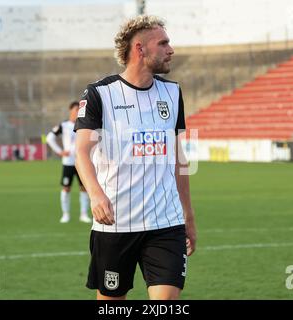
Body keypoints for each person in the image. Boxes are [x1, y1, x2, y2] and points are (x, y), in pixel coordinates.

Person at [74, 15, 196, 300]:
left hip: (166, 224)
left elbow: (179, 160)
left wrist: (188, 216)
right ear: (140, 49)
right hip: (116, 225)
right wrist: (95, 194)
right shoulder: (99, 94)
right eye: (163, 43)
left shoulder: (172, 92)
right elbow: (81, 152)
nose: (171, 49)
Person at [46, 102, 92, 224]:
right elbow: (49, 138)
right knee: (66, 188)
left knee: (84, 188)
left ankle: (84, 214)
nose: (78, 111)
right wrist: (60, 152)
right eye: (76, 109)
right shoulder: (64, 125)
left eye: (79, 109)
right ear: (70, 110)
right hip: (68, 162)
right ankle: (65, 214)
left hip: (82, 162)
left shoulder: (84, 125)